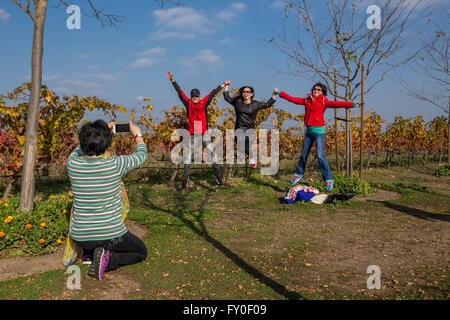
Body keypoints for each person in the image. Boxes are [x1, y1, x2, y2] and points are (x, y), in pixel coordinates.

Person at [66, 120, 148, 280]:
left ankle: (91, 253)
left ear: (82, 141)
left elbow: (78, 149)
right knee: (140, 251)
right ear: (107, 144)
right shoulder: (115, 164)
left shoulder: (72, 164)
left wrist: (95, 135)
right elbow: (142, 155)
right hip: (111, 236)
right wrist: (137, 134)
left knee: (95, 240)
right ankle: (109, 260)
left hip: (80, 236)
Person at [274, 83, 360, 191]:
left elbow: (338, 103)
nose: (316, 91)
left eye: (319, 90)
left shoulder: (324, 101)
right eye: (315, 89)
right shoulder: (307, 100)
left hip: (319, 132)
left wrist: (352, 104)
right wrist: (279, 93)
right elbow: (293, 99)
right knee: (304, 154)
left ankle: (329, 179)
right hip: (309, 131)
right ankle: (299, 174)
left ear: (322, 92)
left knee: (320, 155)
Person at [167, 71, 228, 189]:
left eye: (197, 96)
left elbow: (212, 93)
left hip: (204, 134)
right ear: (191, 97)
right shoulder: (188, 103)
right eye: (193, 96)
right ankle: (185, 178)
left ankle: (218, 175)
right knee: (188, 157)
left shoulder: (203, 103)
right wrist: (172, 81)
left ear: (199, 96)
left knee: (213, 154)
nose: (195, 98)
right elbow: (180, 92)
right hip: (192, 135)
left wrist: (222, 85)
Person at [223, 83, 276, 168]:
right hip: (239, 128)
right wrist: (226, 86)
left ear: (251, 94)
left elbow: (267, 104)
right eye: (244, 91)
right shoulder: (238, 102)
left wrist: (274, 94)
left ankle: (252, 158)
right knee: (240, 147)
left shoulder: (255, 104)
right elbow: (227, 98)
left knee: (246, 146)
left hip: (250, 129)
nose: (246, 93)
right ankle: (252, 157)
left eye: (248, 92)